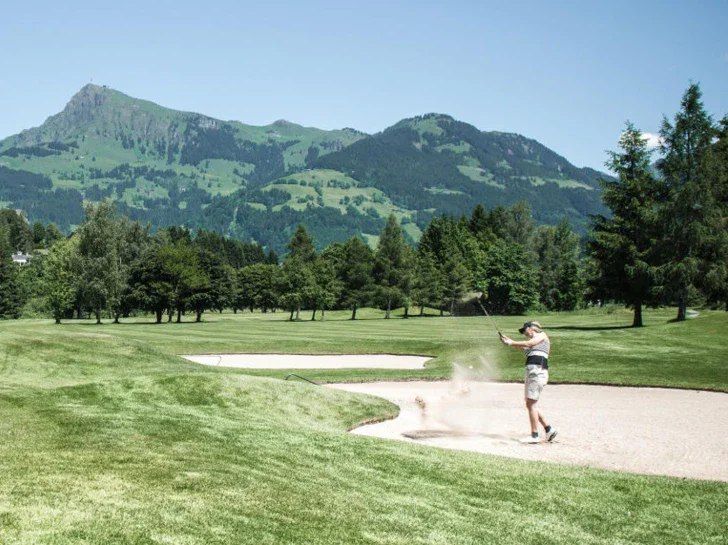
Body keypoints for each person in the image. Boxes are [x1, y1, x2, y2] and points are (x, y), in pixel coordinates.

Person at [500, 321, 558, 444]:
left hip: (537, 371)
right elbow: (524, 347)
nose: (525, 334)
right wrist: (508, 341)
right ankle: (549, 429)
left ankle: (534, 435)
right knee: (530, 403)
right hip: (533, 371)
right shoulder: (533, 347)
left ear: (532, 329)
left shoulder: (542, 335)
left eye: (525, 331)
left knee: (531, 403)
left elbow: (529, 343)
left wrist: (511, 342)